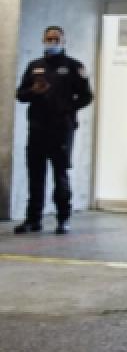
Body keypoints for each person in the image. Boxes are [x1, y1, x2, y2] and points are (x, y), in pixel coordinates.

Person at [14, 25, 93, 235]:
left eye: (56, 39)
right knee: (35, 175)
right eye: (48, 38)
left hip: (61, 129)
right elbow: (20, 95)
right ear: (43, 40)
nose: (52, 42)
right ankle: (33, 219)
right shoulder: (34, 67)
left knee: (60, 175)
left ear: (63, 41)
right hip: (38, 128)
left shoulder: (74, 67)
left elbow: (87, 96)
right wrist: (34, 90)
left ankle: (63, 218)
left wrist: (67, 108)